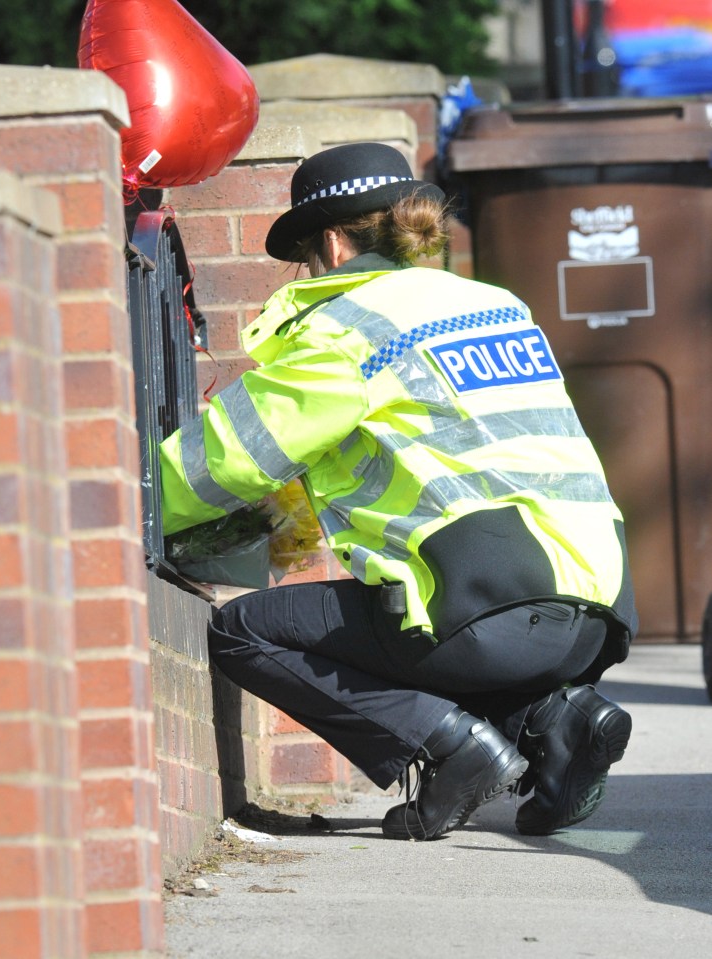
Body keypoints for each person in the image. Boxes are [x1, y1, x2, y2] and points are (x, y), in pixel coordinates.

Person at [159, 142, 637, 840]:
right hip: (596, 605)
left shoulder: (347, 327)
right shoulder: (492, 304)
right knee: (427, 623)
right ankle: (558, 721)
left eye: (306, 258)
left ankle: (450, 745)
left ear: (329, 241)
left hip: (484, 602)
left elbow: (227, 458)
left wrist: (126, 494)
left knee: (245, 633)